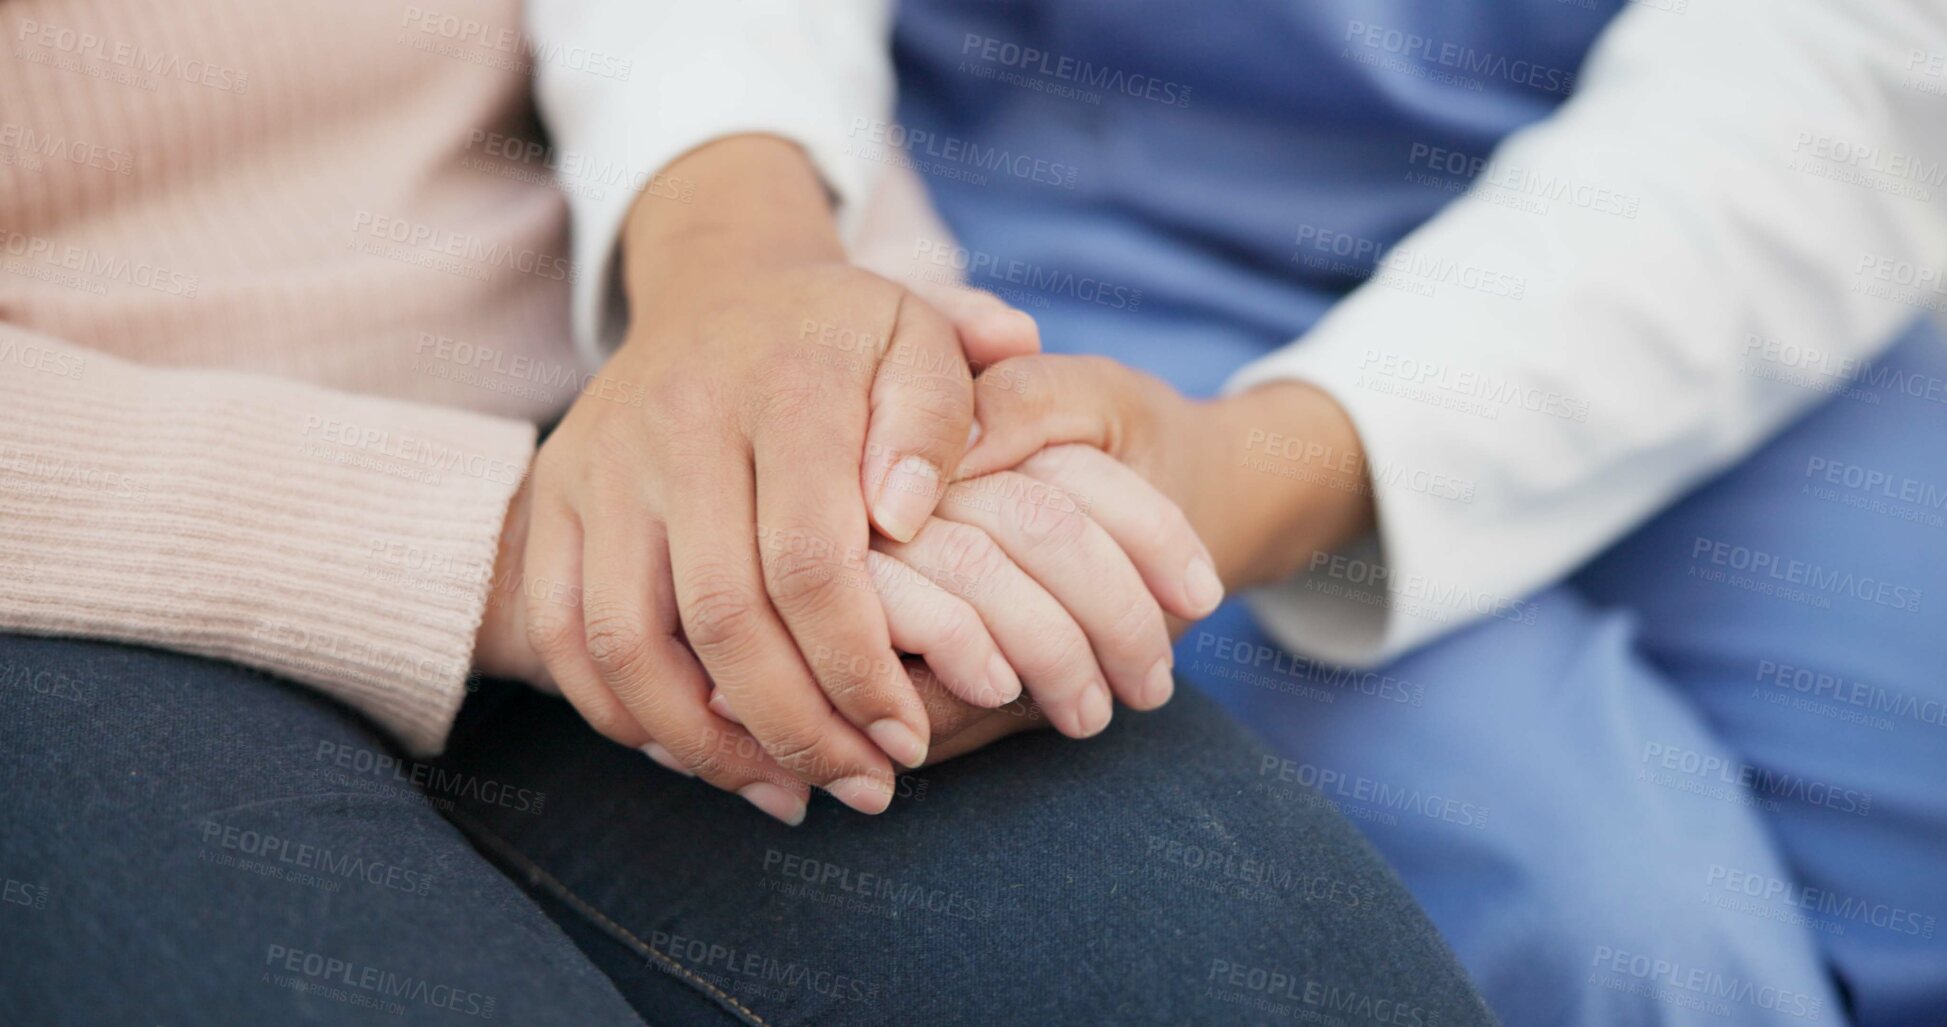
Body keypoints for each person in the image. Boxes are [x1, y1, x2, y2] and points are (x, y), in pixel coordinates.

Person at [0, 1, 1498, 1024]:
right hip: (72, 538)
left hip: (621, 356)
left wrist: (822, 356)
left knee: (1284, 982)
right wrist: (527, 551)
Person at [891, 0, 1947, 1023]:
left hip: (1726, 214)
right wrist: (741, 222)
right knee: (1614, 931)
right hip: (1071, 273)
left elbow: (1844, 58)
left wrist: (1255, 470)